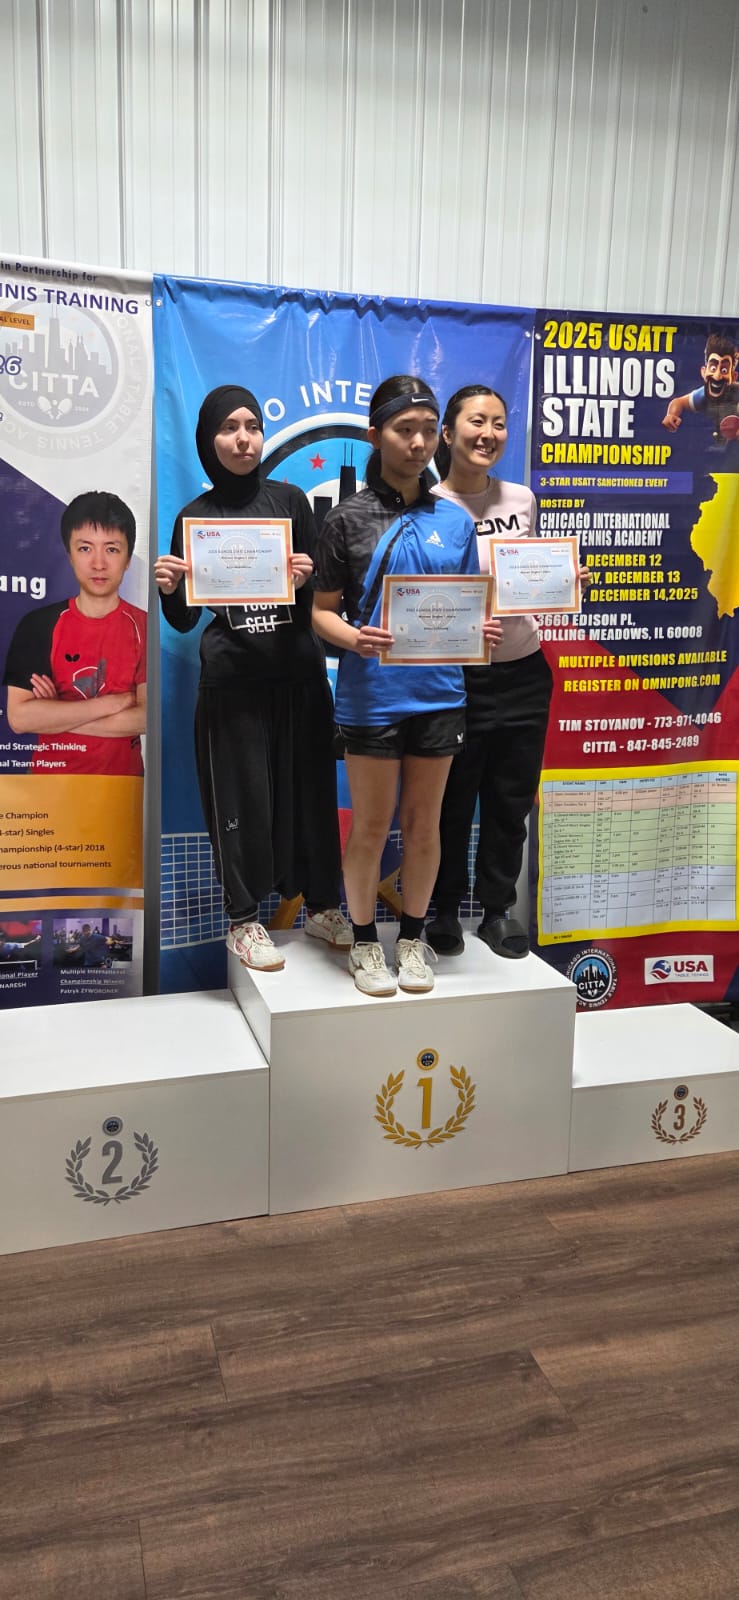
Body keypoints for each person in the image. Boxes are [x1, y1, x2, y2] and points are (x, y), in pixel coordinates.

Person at [153, 383, 350, 972]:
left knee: (312, 798)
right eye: (229, 428)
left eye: (253, 426)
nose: (244, 439)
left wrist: (307, 576)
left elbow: (322, 603)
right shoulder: (196, 517)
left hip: (298, 678)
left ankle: (322, 906)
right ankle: (243, 920)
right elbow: (183, 619)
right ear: (208, 440)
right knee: (241, 803)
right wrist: (171, 588)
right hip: (233, 684)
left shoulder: (290, 502)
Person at [312, 374, 491, 998]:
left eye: (427, 431)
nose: (417, 443)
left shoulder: (455, 521)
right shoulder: (346, 519)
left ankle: (412, 940)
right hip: (372, 697)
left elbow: (463, 607)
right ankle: (365, 943)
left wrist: (479, 631)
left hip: (441, 696)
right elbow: (321, 612)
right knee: (369, 826)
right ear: (376, 436)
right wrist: (355, 638)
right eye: (403, 430)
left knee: (424, 825)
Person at [425, 384, 589, 960]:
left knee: (510, 800)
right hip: (457, 679)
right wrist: (464, 625)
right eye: (476, 422)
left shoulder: (521, 498)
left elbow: (527, 574)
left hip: (524, 671)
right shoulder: (426, 506)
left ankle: (496, 912)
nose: (488, 434)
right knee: (451, 802)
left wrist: (562, 581)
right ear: (448, 433)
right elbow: (420, 597)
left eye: (498, 423)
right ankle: (444, 909)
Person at [3, 491, 146, 775]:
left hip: (122, 787)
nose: (98, 563)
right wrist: (114, 703)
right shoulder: (39, 625)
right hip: (50, 787)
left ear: (128, 558)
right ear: (69, 555)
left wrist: (55, 713)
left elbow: (146, 717)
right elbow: (20, 718)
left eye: (111, 549)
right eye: (85, 548)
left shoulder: (144, 626)